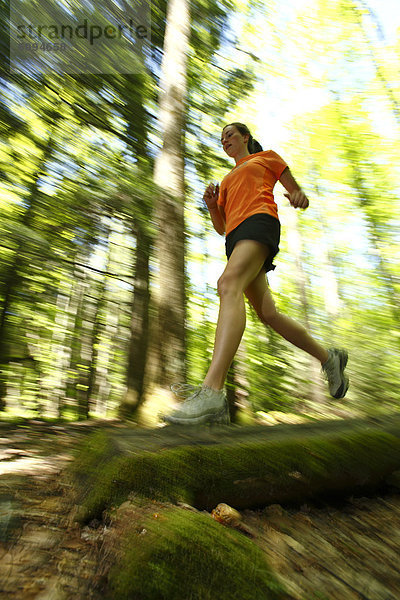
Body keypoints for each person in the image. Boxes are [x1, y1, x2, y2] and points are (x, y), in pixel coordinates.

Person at [164, 122, 349, 425]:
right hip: (236, 238)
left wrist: (299, 195)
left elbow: (294, 188)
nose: (225, 140)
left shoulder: (266, 158)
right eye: (222, 138)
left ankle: (212, 392)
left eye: (230, 135)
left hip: (260, 223)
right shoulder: (225, 181)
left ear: (245, 138)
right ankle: (329, 358)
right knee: (269, 314)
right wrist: (212, 205)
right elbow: (222, 227)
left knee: (228, 284)